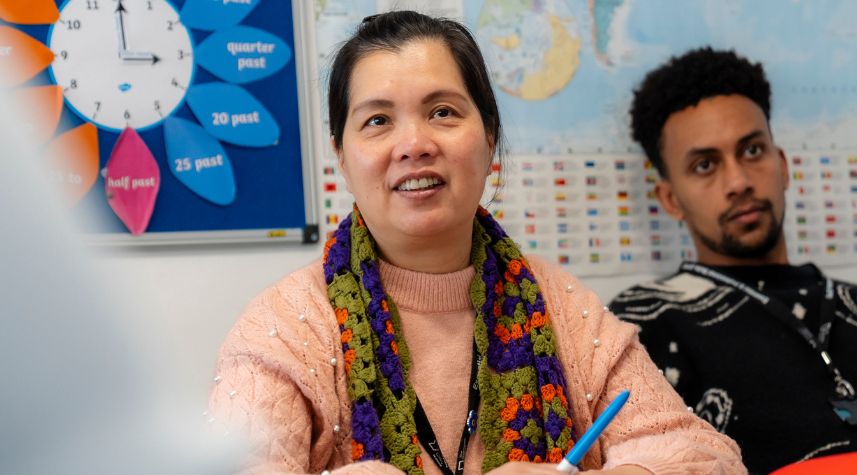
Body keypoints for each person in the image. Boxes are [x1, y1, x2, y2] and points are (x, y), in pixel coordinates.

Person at [209, 12, 744, 474]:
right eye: (377, 120)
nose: (415, 144)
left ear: (490, 138)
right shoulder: (284, 326)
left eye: (443, 112)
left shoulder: (562, 307)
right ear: (342, 158)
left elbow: (708, 457)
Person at [609, 47, 857, 474]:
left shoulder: (850, 301)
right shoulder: (640, 326)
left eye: (753, 151)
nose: (739, 181)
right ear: (671, 199)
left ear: (782, 165)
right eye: (705, 165)